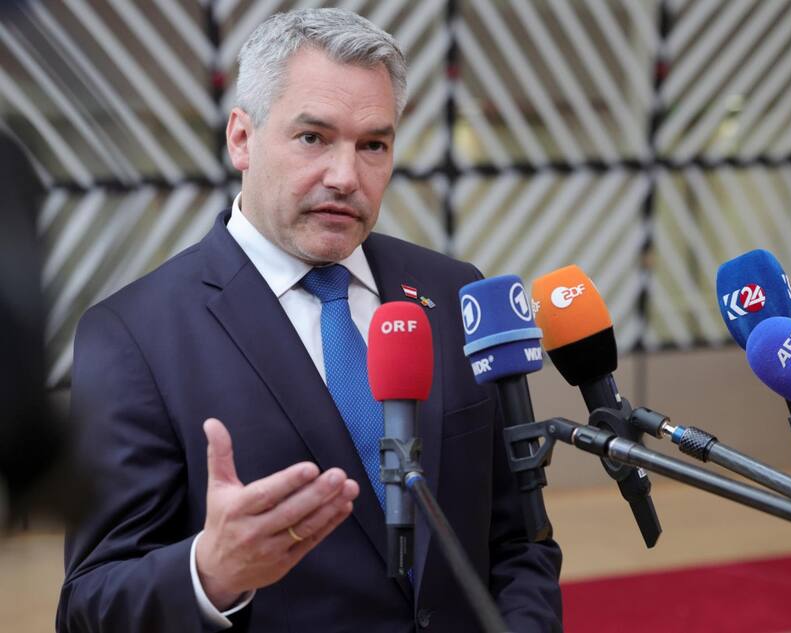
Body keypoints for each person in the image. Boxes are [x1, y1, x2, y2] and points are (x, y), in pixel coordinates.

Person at [57, 8, 562, 633]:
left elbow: (519, 540)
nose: (346, 177)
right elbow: (89, 603)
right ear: (241, 139)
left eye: (373, 145)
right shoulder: (134, 334)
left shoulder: (451, 290)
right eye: (312, 138)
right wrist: (209, 574)